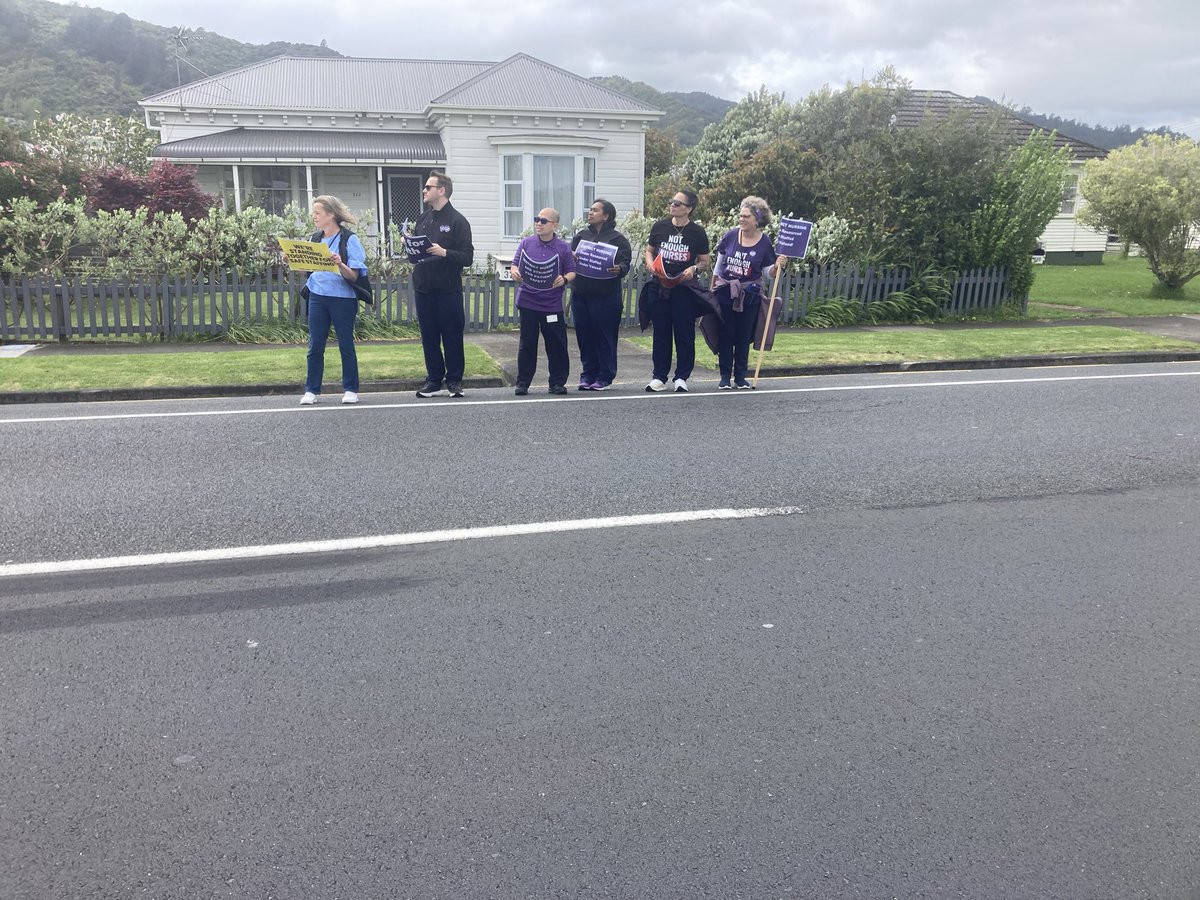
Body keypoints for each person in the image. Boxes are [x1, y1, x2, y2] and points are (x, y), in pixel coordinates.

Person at [711, 196, 789, 389]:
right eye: (741, 216)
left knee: (743, 336)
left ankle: (740, 377)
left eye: (746, 216)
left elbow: (768, 272)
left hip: (750, 295)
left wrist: (777, 266)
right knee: (725, 334)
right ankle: (724, 377)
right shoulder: (730, 236)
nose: (742, 219)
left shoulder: (764, 242)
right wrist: (712, 288)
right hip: (725, 292)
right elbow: (719, 265)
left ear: (757, 219)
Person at [298, 195, 367, 406]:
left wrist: (339, 264)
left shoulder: (349, 239)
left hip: (342, 298)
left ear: (331, 214)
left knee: (345, 343)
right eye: (314, 213)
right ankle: (311, 390)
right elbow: (306, 270)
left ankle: (350, 389)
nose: (314, 216)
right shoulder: (315, 239)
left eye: (317, 213)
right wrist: (292, 260)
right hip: (317, 296)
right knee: (315, 344)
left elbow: (354, 276)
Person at [410, 171, 474, 398]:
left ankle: (454, 381)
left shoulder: (458, 221)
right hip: (423, 288)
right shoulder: (423, 219)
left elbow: (467, 257)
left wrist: (444, 252)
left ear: (441, 190)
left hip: (447, 290)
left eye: (428, 187)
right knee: (429, 337)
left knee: (451, 336)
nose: (424, 190)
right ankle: (434, 380)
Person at [644, 189, 711, 393]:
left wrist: (693, 269)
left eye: (677, 203)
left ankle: (682, 377)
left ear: (689, 209)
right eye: (671, 201)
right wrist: (650, 263)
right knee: (661, 333)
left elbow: (704, 261)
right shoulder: (660, 226)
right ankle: (659, 376)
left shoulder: (697, 232)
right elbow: (649, 251)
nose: (672, 205)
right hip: (660, 286)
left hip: (683, 289)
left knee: (684, 333)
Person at [510, 208, 576, 395]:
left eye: (544, 221)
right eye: (537, 219)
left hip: (551, 305)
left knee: (556, 344)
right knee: (527, 344)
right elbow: (515, 263)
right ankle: (523, 383)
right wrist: (514, 271)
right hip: (528, 302)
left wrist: (564, 279)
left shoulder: (563, 247)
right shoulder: (526, 243)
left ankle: (557, 383)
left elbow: (572, 271)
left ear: (554, 225)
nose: (539, 223)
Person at [570, 199, 632, 391]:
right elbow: (570, 257)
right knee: (584, 335)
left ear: (606, 216)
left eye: (595, 210)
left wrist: (619, 268)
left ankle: (604, 376)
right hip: (581, 293)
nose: (590, 213)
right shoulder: (581, 236)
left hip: (606, 296)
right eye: (590, 209)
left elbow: (625, 263)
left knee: (604, 336)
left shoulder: (617, 239)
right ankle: (587, 374)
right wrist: (570, 257)